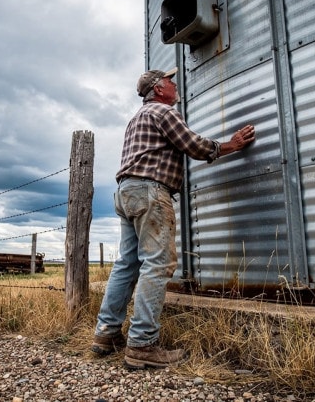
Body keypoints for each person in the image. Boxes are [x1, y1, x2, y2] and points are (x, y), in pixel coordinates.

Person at [91, 66, 256, 369]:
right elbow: (193, 145)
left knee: (127, 264)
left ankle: (106, 333)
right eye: (169, 80)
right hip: (150, 191)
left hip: (126, 191)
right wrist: (230, 145)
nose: (174, 83)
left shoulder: (137, 118)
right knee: (158, 263)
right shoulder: (164, 112)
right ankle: (142, 345)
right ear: (157, 89)